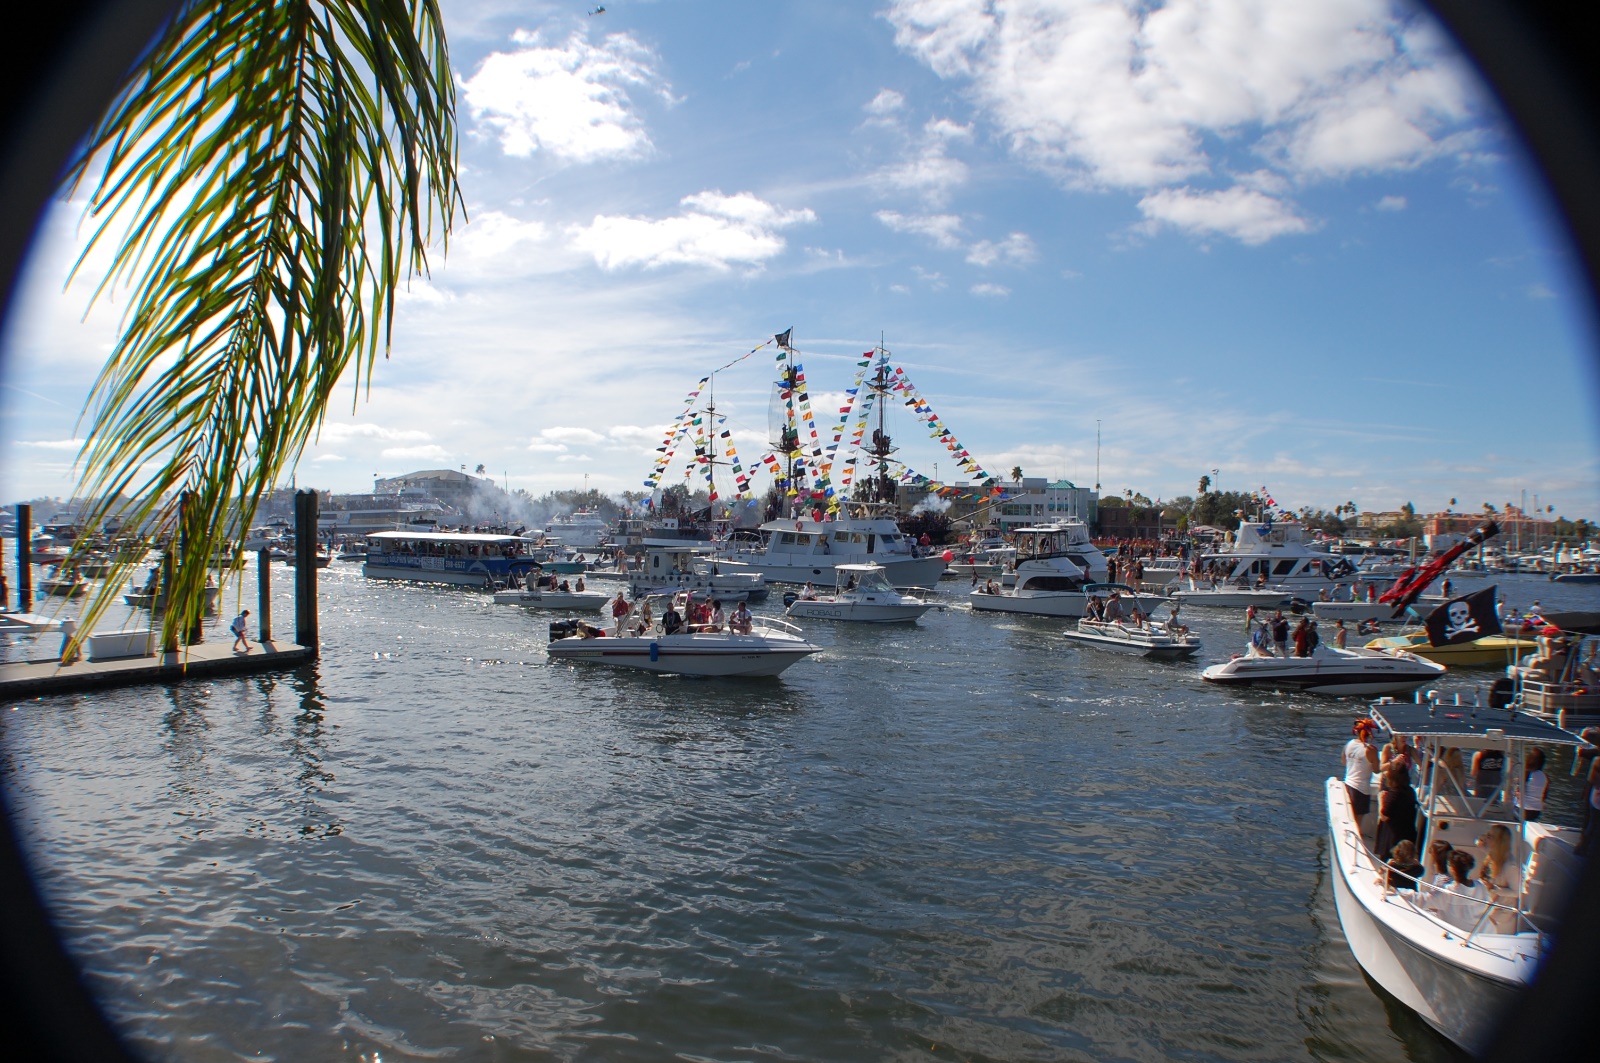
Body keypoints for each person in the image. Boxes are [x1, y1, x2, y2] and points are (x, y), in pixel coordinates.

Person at [1435, 850, 1490, 932]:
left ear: (1452, 869)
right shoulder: (1481, 887)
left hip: (1453, 934)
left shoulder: (1448, 891)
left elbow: (1429, 902)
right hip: (1479, 933)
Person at [1374, 764, 1417, 862]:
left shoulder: (1393, 794)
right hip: (1406, 832)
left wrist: (1380, 799)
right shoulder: (1410, 791)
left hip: (1393, 836)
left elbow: (1383, 816)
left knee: (1389, 861)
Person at [1344, 719, 1380, 833]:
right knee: (1357, 823)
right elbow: (1376, 770)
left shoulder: (1349, 744)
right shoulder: (1371, 750)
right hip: (1361, 790)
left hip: (1348, 785)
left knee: (1350, 819)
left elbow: (1343, 761)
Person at [1516, 747, 1549, 822]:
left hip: (1522, 809)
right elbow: (1544, 797)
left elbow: (1519, 793)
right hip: (1536, 812)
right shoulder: (1545, 777)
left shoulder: (1526, 773)